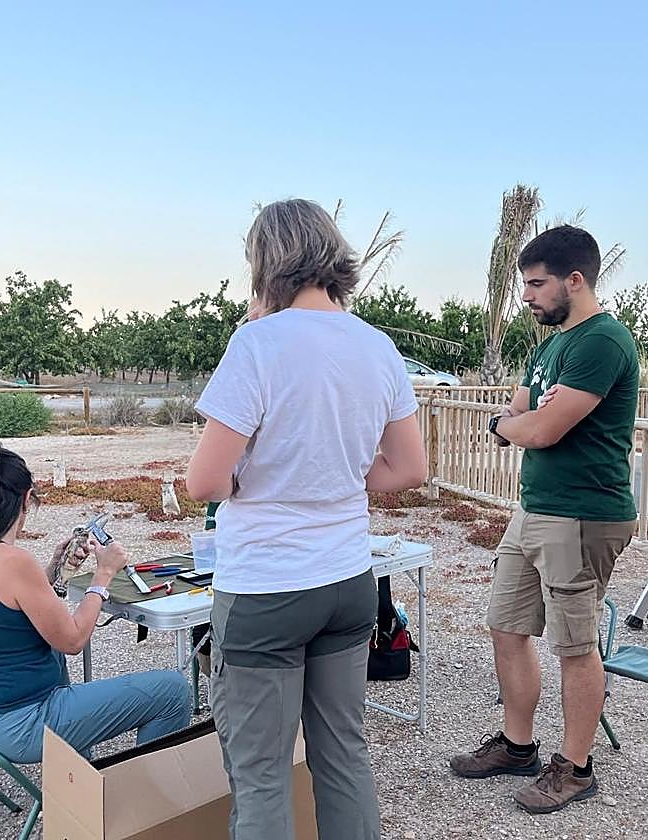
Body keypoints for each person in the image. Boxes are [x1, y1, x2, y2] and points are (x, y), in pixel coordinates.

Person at [186, 198, 426, 840]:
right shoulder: (377, 347)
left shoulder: (256, 343)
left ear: (267, 262)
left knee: (262, 774)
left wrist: (254, 479)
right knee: (344, 756)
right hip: (348, 582)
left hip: (266, 585)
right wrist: (339, 480)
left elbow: (204, 481)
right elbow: (408, 469)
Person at [449, 225, 639, 814]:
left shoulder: (601, 341)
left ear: (574, 280)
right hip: (534, 508)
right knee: (507, 627)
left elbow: (540, 429)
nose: (527, 297)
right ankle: (517, 745)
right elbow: (520, 413)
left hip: (583, 514)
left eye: (536, 284)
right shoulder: (549, 345)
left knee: (575, 646)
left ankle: (577, 767)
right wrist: (517, 423)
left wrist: (518, 425)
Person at [0, 442, 191, 764]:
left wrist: (56, 569)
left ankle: (78, 790)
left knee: (57, 666)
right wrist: (104, 575)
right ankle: (151, 802)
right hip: (10, 722)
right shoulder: (13, 561)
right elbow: (73, 640)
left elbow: (2, 609)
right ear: (26, 499)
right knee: (173, 690)